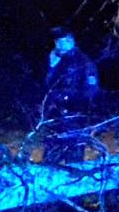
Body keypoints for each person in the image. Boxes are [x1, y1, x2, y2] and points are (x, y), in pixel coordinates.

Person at [41, 27, 99, 163]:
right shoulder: (53, 59)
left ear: (72, 41)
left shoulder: (83, 61)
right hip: (54, 111)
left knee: (74, 149)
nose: (60, 44)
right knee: (52, 149)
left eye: (64, 40)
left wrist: (74, 99)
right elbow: (45, 84)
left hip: (75, 112)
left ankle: (73, 173)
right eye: (57, 41)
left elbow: (91, 88)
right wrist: (52, 66)